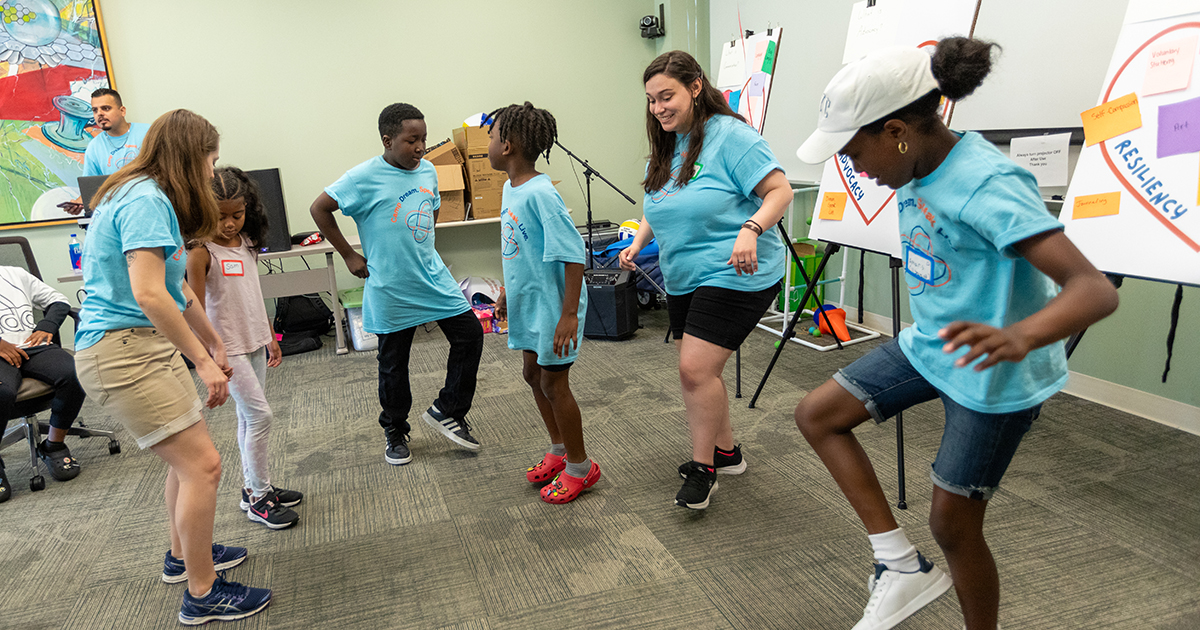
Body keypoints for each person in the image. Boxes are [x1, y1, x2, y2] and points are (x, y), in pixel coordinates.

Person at [792, 39, 1119, 630]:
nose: (852, 168)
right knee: (817, 415)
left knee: (952, 524)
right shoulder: (915, 163)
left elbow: (1093, 290)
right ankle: (899, 565)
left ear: (897, 131)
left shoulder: (987, 184)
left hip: (996, 373)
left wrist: (1021, 337)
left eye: (852, 151)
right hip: (935, 344)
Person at [73, 109, 272, 625]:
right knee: (203, 466)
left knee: (186, 461)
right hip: (122, 352)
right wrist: (203, 361)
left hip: (140, 346)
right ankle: (202, 594)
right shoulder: (144, 200)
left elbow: (176, 287)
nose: (213, 171)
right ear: (190, 156)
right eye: (211, 159)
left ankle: (183, 558)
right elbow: (147, 295)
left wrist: (214, 341)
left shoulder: (145, 194)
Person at [620, 51, 793, 510]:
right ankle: (728, 452)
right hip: (684, 274)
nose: (658, 108)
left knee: (694, 370)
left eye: (667, 96)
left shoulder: (732, 136)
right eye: (652, 100)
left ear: (695, 87)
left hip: (736, 270)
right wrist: (639, 242)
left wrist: (751, 229)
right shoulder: (668, 143)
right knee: (702, 373)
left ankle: (704, 470)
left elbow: (780, 191)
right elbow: (662, 203)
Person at [310, 102, 484, 466]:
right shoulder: (362, 177)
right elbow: (319, 208)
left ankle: (448, 409)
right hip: (390, 285)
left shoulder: (429, 171)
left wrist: (422, 243)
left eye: (423, 138)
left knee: (470, 334)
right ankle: (395, 430)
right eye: (411, 140)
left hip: (431, 276)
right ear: (388, 140)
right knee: (393, 363)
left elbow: (432, 208)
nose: (420, 147)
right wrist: (348, 255)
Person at [487, 102, 599, 504]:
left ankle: (581, 467)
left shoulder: (542, 194)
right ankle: (558, 450)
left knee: (554, 383)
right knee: (532, 376)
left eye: (492, 133)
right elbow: (518, 248)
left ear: (509, 144)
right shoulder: (510, 187)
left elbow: (573, 255)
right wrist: (505, 290)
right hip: (528, 301)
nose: (488, 140)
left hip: (554, 307)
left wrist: (569, 314)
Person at [186, 166, 302, 530]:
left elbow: (253, 292)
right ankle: (259, 498)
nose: (230, 224)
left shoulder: (249, 243)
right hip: (227, 348)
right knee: (260, 417)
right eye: (220, 217)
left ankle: (253, 486)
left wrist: (269, 335)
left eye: (237, 215)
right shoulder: (200, 252)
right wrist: (206, 356)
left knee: (246, 418)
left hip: (253, 339)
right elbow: (195, 309)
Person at [0, 266, 87, 502]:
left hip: (32, 346)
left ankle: (54, 446)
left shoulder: (14, 274)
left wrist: (46, 326)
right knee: (2, 392)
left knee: (75, 374)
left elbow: (58, 301)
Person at [59, 88, 150, 215]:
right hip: (118, 214)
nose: (99, 114)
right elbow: (92, 187)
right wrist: (79, 202)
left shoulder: (149, 133)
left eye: (106, 108)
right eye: (95, 110)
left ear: (122, 111)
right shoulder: (94, 147)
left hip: (151, 207)